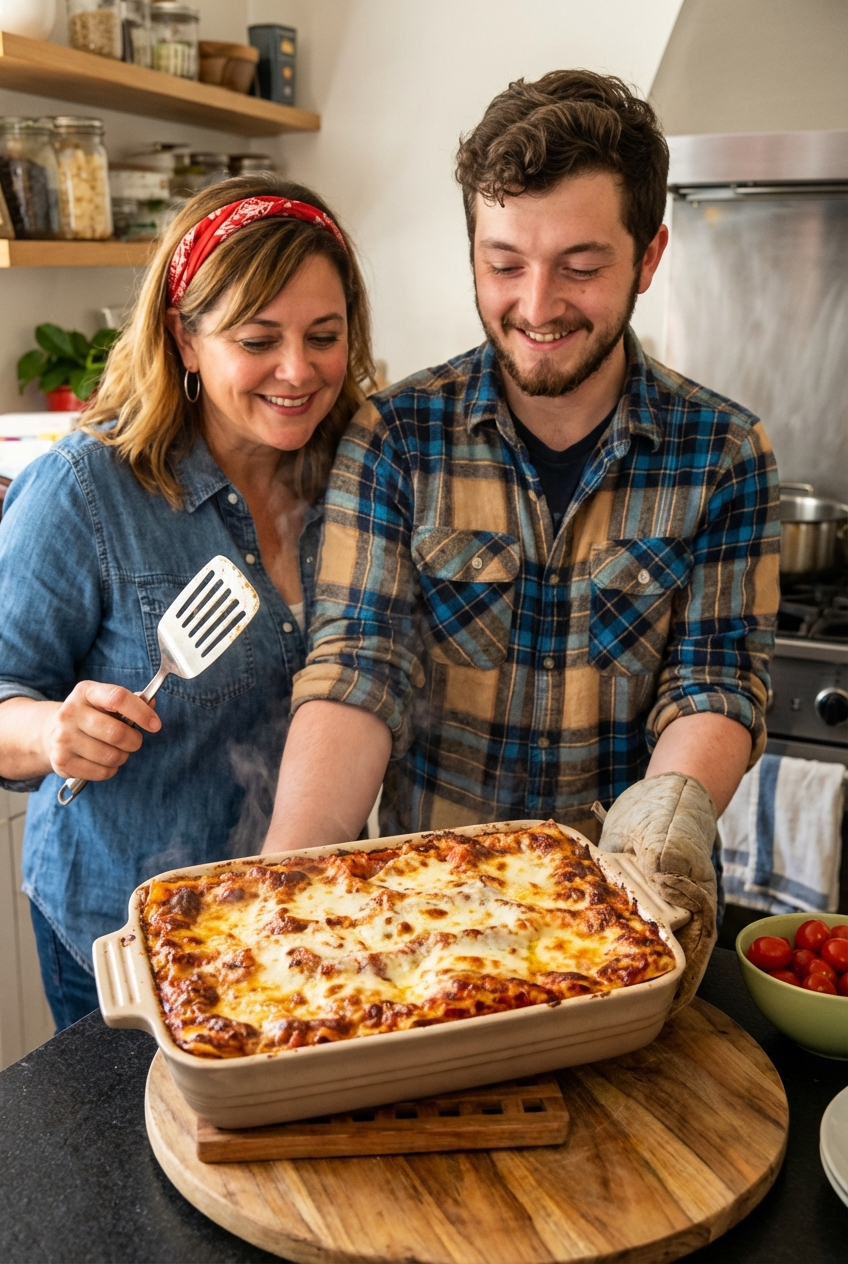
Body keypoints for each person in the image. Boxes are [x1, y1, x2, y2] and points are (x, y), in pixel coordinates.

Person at [262, 72, 780, 1008]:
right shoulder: (395, 437)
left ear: (649, 255)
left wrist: (656, 848)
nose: (536, 306)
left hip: (623, 932)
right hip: (419, 939)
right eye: (503, 264)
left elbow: (715, 680)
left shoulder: (725, 453)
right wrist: (283, 884)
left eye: (580, 266)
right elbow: (355, 672)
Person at [0, 174, 374, 1030]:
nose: (298, 370)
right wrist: (52, 729)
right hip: (129, 939)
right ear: (186, 336)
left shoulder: (358, 476)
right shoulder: (83, 490)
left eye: (325, 336)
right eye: (258, 338)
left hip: (305, 920)